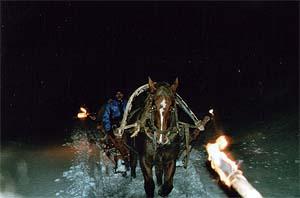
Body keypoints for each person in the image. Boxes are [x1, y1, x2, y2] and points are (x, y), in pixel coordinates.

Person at [102, 91, 128, 173]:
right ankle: (120, 161)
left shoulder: (127, 103)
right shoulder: (110, 104)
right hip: (115, 125)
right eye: (117, 94)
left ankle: (128, 156)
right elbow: (106, 117)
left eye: (121, 93)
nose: (119, 95)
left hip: (126, 124)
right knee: (117, 140)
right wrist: (108, 128)